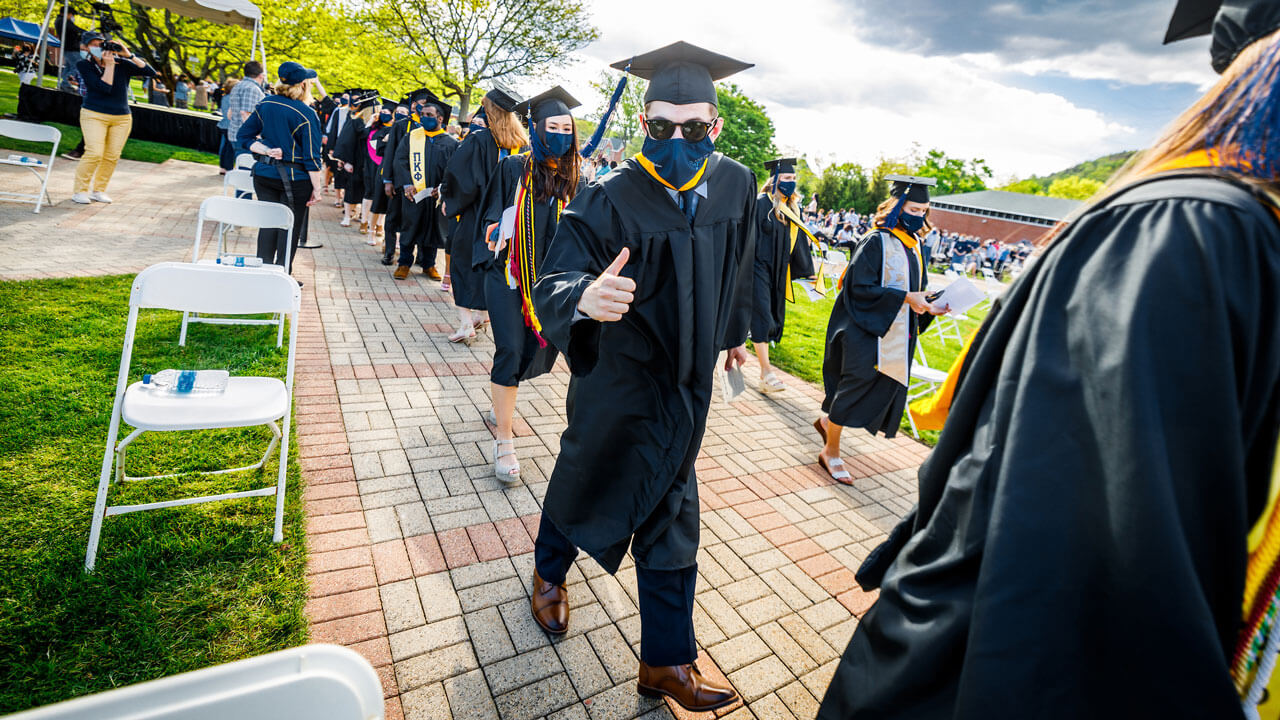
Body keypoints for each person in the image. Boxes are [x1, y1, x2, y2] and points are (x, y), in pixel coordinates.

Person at [817, 3, 1280, 719]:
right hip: (990, 674)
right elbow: (1100, 584)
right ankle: (830, 437)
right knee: (852, 393)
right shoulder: (1199, 236)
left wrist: (928, 301)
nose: (918, 215)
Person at [528, 41, 757, 711]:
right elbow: (555, 278)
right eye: (661, 127)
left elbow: (737, 264)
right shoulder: (607, 195)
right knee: (587, 478)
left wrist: (735, 336)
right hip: (619, 384)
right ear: (643, 123)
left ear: (714, 126)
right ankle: (548, 577)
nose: (677, 140)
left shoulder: (735, 183)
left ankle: (665, 662)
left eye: (692, 128)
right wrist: (583, 299)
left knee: (672, 510)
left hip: (688, 386)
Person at [476, 86, 582, 480]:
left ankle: (500, 397)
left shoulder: (577, 180)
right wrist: (495, 229)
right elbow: (487, 219)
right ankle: (504, 440)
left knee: (525, 358)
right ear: (536, 128)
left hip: (550, 286)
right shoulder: (512, 169)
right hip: (508, 275)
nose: (559, 134)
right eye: (551, 126)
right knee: (509, 350)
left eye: (566, 128)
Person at [815, 176, 945, 482]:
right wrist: (904, 298)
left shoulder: (914, 248)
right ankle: (830, 452)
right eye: (914, 209)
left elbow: (915, 291)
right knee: (854, 385)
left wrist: (928, 305)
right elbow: (858, 287)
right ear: (897, 206)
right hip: (862, 326)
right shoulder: (876, 241)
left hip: (892, 329)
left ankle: (828, 424)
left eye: (924, 211)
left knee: (873, 384)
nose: (920, 216)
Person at [440, 83, 526, 337]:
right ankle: (483, 315)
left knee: (464, 265)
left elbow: (460, 178)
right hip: (506, 219)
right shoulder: (522, 144)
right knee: (492, 265)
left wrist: (449, 199)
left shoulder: (479, 139)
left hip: (474, 216)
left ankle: (466, 323)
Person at [235, 61, 324, 278]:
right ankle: (282, 276)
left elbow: (243, 137)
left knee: (268, 224)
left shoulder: (266, 104)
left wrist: (265, 150)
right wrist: (318, 189)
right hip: (296, 179)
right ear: (303, 85)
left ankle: (263, 272)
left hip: (265, 174)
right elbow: (312, 157)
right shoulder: (306, 113)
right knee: (289, 228)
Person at [751, 157, 817, 393]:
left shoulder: (791, 208)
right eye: (786, 178)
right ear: (775, 179)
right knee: (762, 316)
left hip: (778, 271)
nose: (791, 182)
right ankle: (766, 372)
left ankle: (738, 353)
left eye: (793, 178)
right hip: (756, 268)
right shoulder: (760, 203)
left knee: (771, 316)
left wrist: (807, 272)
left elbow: (797, 242)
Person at [71, 32, 157, 205]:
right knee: (94, 153)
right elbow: (103, 88)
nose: (97, 47)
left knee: (112, 156)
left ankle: (99, 190)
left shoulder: (123, 63)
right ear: (86, 48)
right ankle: (80, 190)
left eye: (100, 44)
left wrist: (129, 55)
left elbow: (150, 72)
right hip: (94, 114)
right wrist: (109, 66)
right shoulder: (84, 65)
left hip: (122, 117)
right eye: (93, 44)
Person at [390, 91, 458, 281]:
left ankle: (429, 265)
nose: (424, 118)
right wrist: (406, 183)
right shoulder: (412, 137)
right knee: (409, 227)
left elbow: (453, 170)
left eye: (430, 115)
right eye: (423, 115)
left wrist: (443, 188)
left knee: (432, 229)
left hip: (435, 196)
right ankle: (404, 263)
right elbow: (400, 160)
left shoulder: (451, 143)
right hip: (414, 193)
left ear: (440, 118)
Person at [334, 90, 378, 231]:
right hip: (355, 160)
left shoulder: (379, 125)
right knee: (351, 188)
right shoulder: (356, 120)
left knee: (365, 190)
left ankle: (360, 214)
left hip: (369, 163)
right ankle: (347, 215)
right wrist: (346, 161)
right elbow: (346, 141)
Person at [225, 61, 267, 166]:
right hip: (246, 138)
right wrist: (256, 135)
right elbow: (245, 113)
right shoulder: (252, 89)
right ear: (261, 75)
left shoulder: (238, 86)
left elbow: (230, 114)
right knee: (246, 172)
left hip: (235, 133)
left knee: (242, 168)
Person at [324, 90, 353, 213]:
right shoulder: (338, 112)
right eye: (344, 97)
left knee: (348, 176)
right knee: (338, 172)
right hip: (337, 145)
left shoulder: (355, 114)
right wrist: (331, 147)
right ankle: (337, 197)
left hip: (350, 148)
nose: (345, 99)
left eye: (348, 97)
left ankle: (346, 199)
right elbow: (332, 129)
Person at [57, 6, 84, 91]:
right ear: (67, 13)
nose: (72, 17)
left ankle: (64, 84)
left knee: (68, 67)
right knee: (77, 67)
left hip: (68, 48)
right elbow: (75, 29)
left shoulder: (61, 21)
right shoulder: (63, 22)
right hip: (72, 48)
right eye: (72, 14)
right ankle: (66, 84)